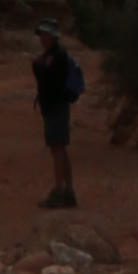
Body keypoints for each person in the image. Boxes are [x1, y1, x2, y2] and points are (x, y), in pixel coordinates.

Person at [31, 21, 86, 208]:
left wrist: (41, 67)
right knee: (60, 148)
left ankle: (59, 191)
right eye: (41, 35)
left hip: (56, 108)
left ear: (53, 36)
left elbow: (51, 81)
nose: (42, 38)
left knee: (57, 149)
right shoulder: (53, 55)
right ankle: (68, 191)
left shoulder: (58, 56)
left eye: (44, 35)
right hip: (56, 108)